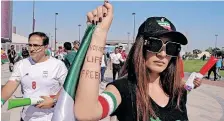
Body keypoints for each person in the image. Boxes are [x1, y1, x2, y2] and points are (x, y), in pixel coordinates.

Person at [74, 1, 202, 121]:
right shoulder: (123, 89)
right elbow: (86, 112)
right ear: (140, 47)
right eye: (154, 44)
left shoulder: (178, 93)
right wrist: (99, 34)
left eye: (171, 47)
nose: (162, 54)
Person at [1, 32, 68, 121]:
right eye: (30, 45)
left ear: (45, 47)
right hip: (26, 118)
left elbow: (68, 88)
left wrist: (54, 101)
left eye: (36, 45)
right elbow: (10, 85)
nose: (31, 49)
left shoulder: (58, 65)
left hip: (51, 117)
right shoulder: (21, 64)